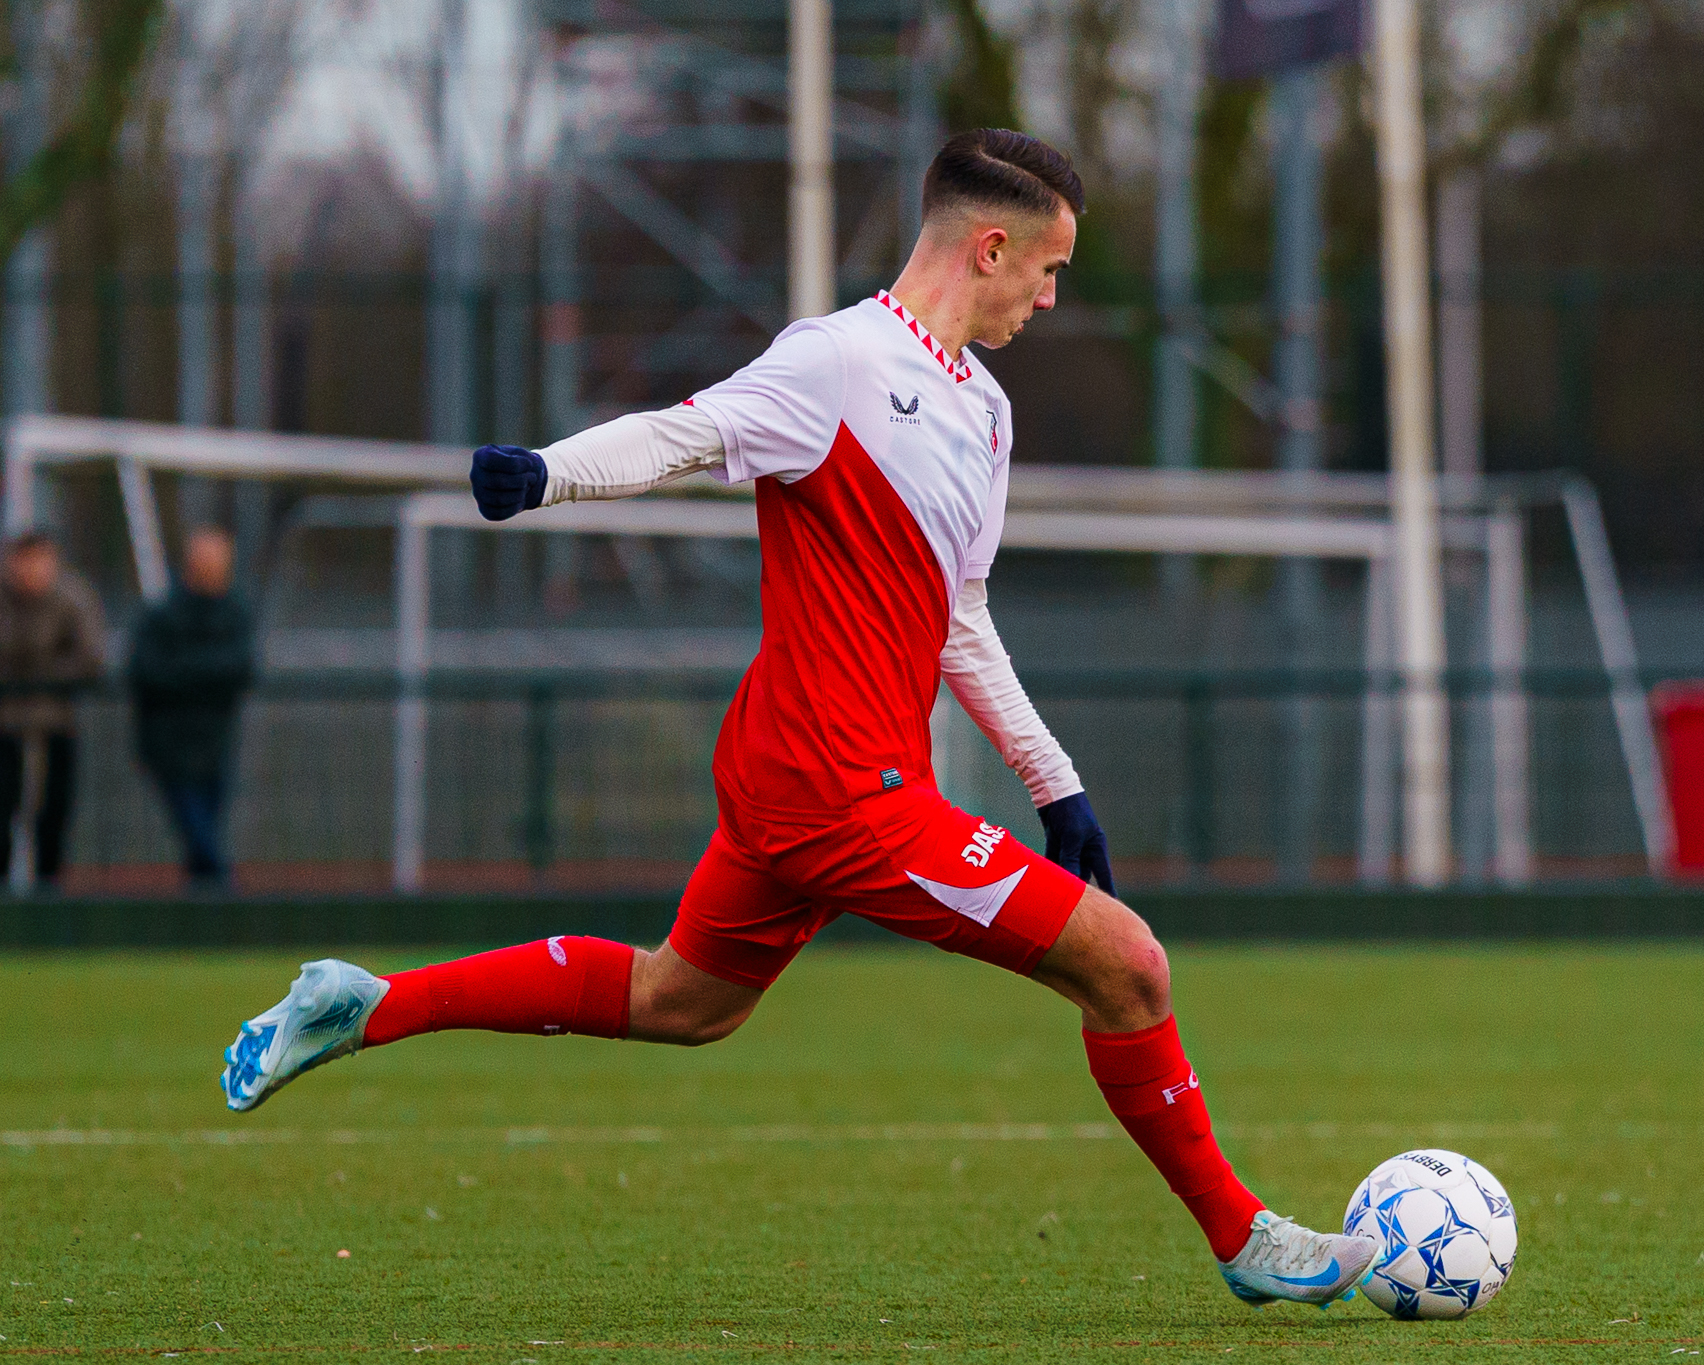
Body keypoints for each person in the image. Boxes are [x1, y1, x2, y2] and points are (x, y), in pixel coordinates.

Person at [217, 129, 1382, 1309]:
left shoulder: (985, 412)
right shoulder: (834, 363)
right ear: (989, 248)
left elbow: (959, 617)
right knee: (1129, 968)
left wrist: (1054, 783)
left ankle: (367, 1004)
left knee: (680, 1002)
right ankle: (1243, 1240)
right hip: (844, 793)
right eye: (1047, 270)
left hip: (806, 777)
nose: (1047, 296)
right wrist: (547, 472)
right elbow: (683, 433)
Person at [128, 528, 257, 887]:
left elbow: (240, 667)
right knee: (197, 830)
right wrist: (203, 675)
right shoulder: (162, 614)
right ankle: (221, 889)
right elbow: (147, 671)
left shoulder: (234, 613)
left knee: (204, 830)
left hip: (215, 740)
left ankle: (203, 903)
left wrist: (188, 673)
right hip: (168, 742)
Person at [0, 531, 106, 889]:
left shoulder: (72, 597)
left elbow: (90, 657)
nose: (31, 571)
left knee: (54, 813)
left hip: (55, 722)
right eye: (24, 561)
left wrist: (40, 676)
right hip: (5, 726)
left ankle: (49, 893)